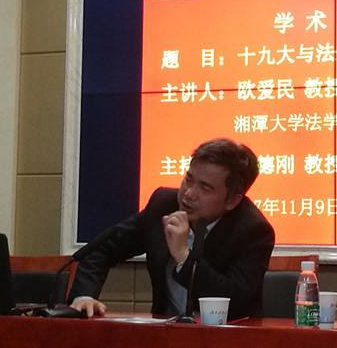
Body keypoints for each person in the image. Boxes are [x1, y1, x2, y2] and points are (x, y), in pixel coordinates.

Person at [68, 137, 275, 320]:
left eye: (205, 188)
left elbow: (233, 297)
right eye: (189, 179)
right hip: (164, 337)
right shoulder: (163, 205)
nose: (189, 193)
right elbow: (102, 247)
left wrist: (184, 256)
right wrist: (83, 296)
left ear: (232, 201)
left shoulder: (253, 231)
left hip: (227, 338)